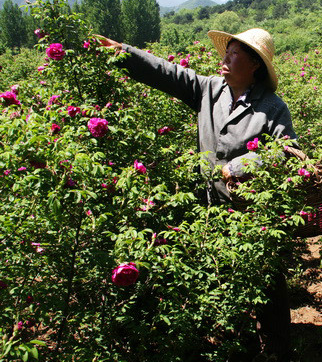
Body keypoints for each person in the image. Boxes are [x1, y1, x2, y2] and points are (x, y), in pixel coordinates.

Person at [98, 28, 296, 361]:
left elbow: (289, 150)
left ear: (255, 66)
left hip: (252, 213)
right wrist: (124, 53)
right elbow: (166, 72)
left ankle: (277, 349)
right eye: (227, 51)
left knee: (267, 279)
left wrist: (244, 164)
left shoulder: (272, 107)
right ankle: (235, 337)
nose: (225, 59)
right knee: (220, 271)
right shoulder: (209, 90)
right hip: (210, 207)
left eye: (234, 54)